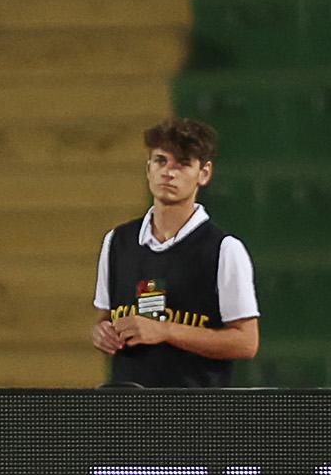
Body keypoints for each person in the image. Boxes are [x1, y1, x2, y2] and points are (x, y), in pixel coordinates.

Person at [91, 118, 260, 387]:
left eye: (182, 163)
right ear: (148, 169)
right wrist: (102, 334)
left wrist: (166, 331)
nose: (169, 172)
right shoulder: (117, 242)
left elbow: (246, 342)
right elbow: (104, 318)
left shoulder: (223, 250)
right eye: (160, 161)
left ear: (204, 173)